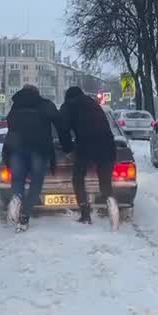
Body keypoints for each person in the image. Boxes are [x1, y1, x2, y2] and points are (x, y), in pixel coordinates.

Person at [1, 84, 61, 231]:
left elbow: (10, 128)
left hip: (17, 149)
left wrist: (6, 153)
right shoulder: (45, 105)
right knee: (36, 182)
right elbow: (59, 123)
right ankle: (24, 216)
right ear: (37, 93)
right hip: (38, 149)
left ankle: (17, 197)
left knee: (17, 179)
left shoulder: (15, 107)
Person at [58, 86, 119, 228]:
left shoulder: (68, 106)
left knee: (78, 178)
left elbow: (62, 129)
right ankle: (111, 201)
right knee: (105, 181)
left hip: (86, 144)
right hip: (108, 144)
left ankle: (85, 214)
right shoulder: (93, 103)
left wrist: (68, 149)